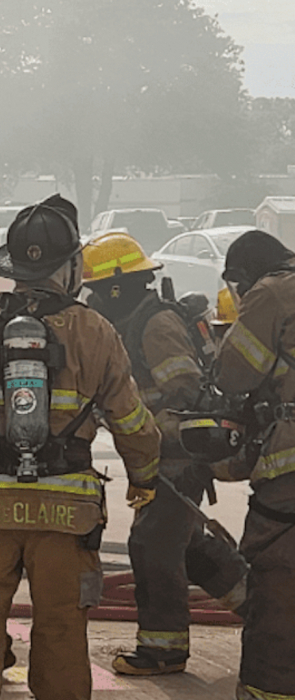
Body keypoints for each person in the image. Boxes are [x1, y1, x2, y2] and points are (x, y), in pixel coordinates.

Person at [0, 194, 161, 700]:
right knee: (62, 629)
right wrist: (144, 477)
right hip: (67, 515)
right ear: (70, 266)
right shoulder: (95, 331)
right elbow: (132, 422)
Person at [81, 232, 249, 675]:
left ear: (117, 287)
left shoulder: (155, 325)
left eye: (97, 290)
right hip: (160, 454)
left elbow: (186, 394)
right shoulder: (130, 323)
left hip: (178, 455)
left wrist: (145, 426)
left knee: (152, 544)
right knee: (188, 547)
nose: (92, 299)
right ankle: (261, 608)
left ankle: (163, 650)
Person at [209, 230, 295, 700]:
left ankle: (269, 691)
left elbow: (234, 374)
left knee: (278, 581)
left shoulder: (272, 292)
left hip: (290, 477)